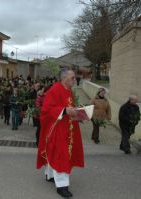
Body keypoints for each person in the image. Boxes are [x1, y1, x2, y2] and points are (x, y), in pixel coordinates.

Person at [36, 69, 84, 198]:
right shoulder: (55, 90)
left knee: (58, 153)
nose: (75, 80)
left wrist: (79, 113)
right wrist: (64, 110)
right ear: (64, 78)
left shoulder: (68, 90)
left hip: (68, 127)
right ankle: (62, 186)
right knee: (61, 155)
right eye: (72, 77)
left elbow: (69, 108)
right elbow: (47, 109)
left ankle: (50, 175)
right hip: (57, 129)